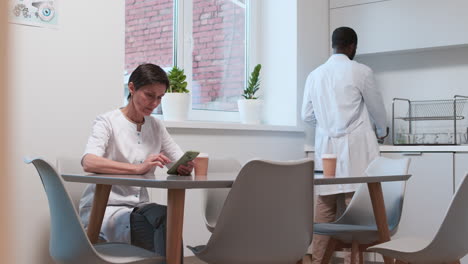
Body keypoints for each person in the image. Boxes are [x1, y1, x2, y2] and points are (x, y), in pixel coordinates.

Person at [79, 63, 193, 258]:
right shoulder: (107, 122)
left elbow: (177, 158)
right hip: (106, 208)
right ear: (131, 88)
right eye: (149, 95)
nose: (154, 103)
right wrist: (137, 168)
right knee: (161, 233)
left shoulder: (155, 126)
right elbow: (89, 162)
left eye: (160, 97)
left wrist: (183, 166)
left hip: (139, 207)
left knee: (169, 218)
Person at [301, 27, 387, 264]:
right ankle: (355, 261)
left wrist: (328, 125)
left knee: (325, 205)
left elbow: (306, 115)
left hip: (326, 148)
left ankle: (318, 260)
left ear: (334, 45)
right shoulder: (361, 71)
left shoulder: (315, 75)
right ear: (352, 46)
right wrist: (382, 130)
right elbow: (376, 108)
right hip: (356, 148)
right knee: (355, 206)